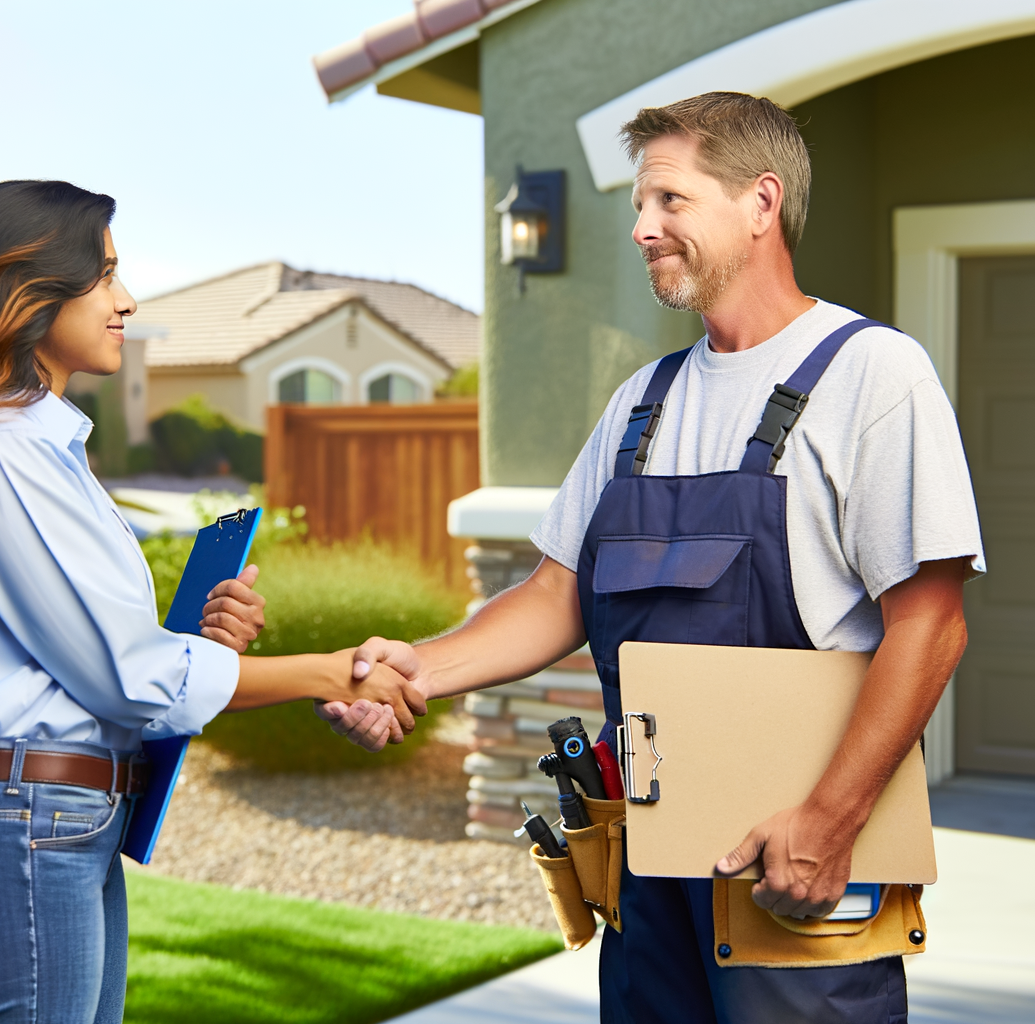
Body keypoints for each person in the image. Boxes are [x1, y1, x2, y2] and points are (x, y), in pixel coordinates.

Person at [321, 93, 984, 1022]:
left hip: (786, 866)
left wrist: (830, 822)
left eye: (669, 200)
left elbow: (931, 626)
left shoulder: (873, 376)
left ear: (761, 203)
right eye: (641, 205)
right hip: (648, 871)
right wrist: (417, 669)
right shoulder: (647, 402)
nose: (642, 228)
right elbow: (558, 593)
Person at [0, 180, 426, 1024]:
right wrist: (332, 675)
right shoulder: (2, 452)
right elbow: (128, 676)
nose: (126, 302)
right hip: (20, 826)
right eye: (104, 277)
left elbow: (91, 658)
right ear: (26, 291)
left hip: (50, 825)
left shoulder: (37, 448)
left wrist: (200, 644)